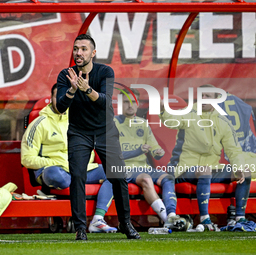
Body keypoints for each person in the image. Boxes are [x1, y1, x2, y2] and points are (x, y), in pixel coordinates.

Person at [56, 34, 141, 240]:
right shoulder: (66, 75)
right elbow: (59, 108)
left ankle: (125, 223)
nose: (78, 53)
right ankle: (80, 228)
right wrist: (72, 91)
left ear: (93, 53)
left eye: (84, 49)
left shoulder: (105, 72)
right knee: (77, 177)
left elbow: (104, 102)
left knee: (118, 177)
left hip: (105, 131)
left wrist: (87, 90)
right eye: (76, 48)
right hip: (79, 133)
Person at [21, 84, 117, 233]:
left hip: (80, 169)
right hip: (54, 170)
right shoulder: (39, 124)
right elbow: (27, 159)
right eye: (57, 96)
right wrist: (55, 162)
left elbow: (90, 149)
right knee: (58, 176)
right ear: (51, 99)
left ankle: (97, 219)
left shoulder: (80, 119)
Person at [160, 84, 251, 231]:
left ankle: (240, 218)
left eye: (207, 96)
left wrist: (238, 167)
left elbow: (234, 150)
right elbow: (171, 120)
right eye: (201, 96)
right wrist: (163, 110)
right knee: (205, 170)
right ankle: (204, 218)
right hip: (185, 169)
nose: (203, 99)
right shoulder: (189, 112)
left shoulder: (223, 121)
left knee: (245, 172)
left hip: (212, 170)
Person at [114, 88, 190, 230]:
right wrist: (138, 150)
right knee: (146, 179)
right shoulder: (113, 123)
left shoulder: (143, 123)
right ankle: (167, 219)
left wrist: (158, 152)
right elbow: (113, 155)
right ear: (120, 104)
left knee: (168, 177)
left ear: (137, 104)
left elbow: (154, 148)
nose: (130, 105)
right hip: (125, 169)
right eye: (126, 102)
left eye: (133, 101)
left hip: (144, 168)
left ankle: (172, 214)